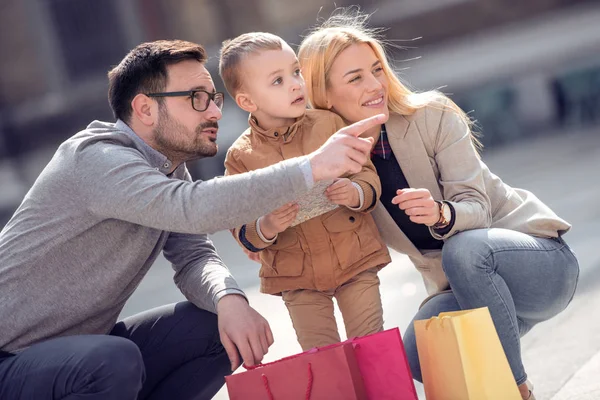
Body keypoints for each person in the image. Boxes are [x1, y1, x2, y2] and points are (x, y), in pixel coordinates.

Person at [0, 39, 385, 400]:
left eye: (214, 98)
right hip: (9, 360)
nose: (216, 111)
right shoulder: (96, 159)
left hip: (71, 354)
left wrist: (228, 298)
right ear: (146, 109)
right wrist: (312, 167)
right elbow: (194, 208)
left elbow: (194, 254)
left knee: (215, 330)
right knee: (110, 360)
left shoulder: (166, 168)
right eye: (197, 99)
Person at [298, 11, 580, 400]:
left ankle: (518, 390)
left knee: (465, 249)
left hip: (539, 263)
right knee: (417, 354)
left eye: (376, 69)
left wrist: (440, 213)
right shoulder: (336, 167)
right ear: (324, 95)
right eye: (355, 77)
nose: (375, 84)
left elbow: (476, 208)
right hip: (471, 290)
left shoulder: (433, 115)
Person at [219, 32, 391, 351]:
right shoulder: (241, 158)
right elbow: (240, 227)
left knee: (372, 345)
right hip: (296, 279)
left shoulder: (329, 125)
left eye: (295, 72)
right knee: (323, 357)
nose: (296, 84)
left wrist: (356, 192)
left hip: (354, 258)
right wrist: (266, 226)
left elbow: (366, 173)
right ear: (247, 101)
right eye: (278, 81)